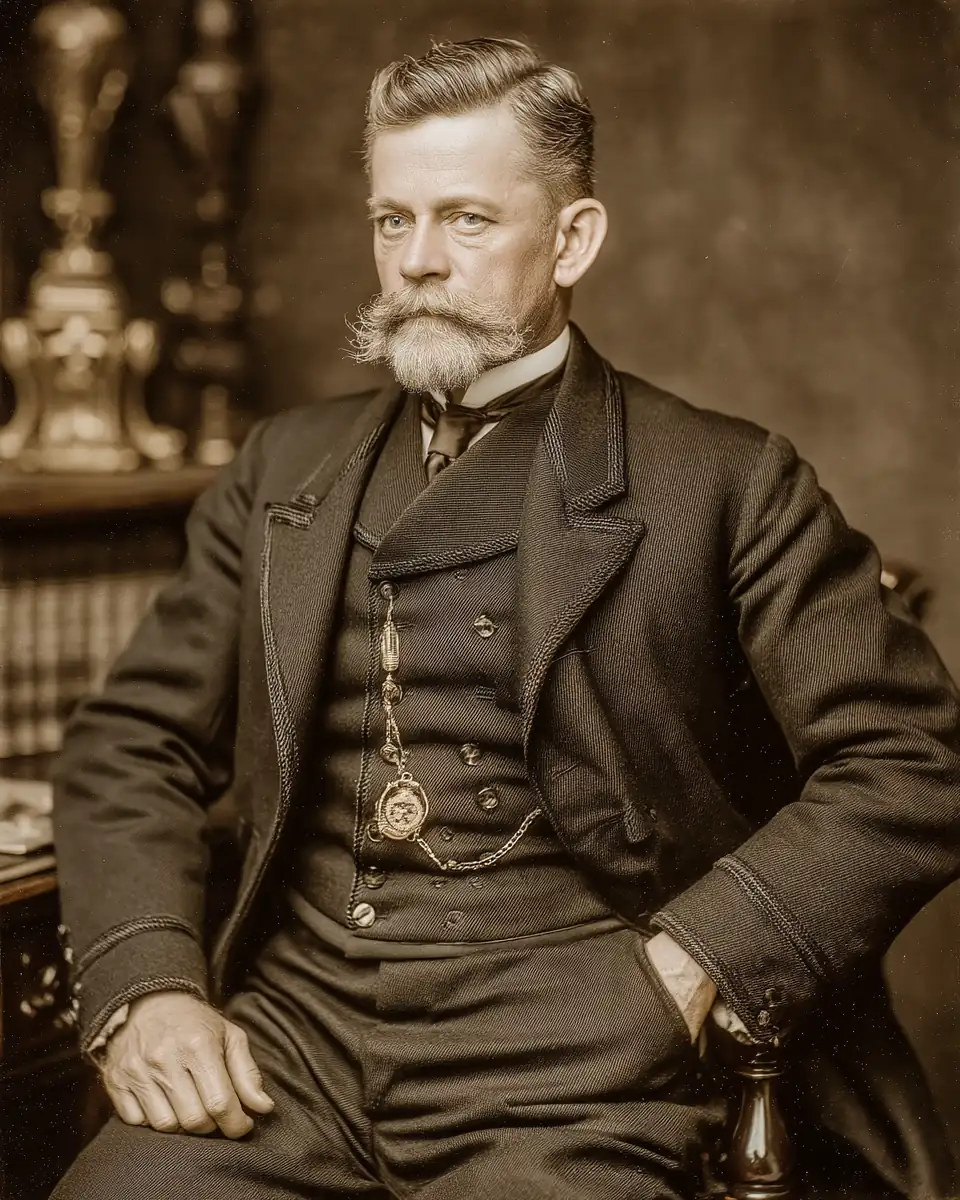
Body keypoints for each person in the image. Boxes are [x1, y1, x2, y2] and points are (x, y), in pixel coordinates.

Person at [51, 37, 960, 1200]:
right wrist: (149, 988)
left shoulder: (725, 483)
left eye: (467, 221)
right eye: (393, 220)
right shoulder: (284, 466)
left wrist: (695, 967)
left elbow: (911, 761)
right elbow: (131, 741)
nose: (416, 261)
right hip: (288, 1051)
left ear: (573, 239)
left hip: (575, 1067)